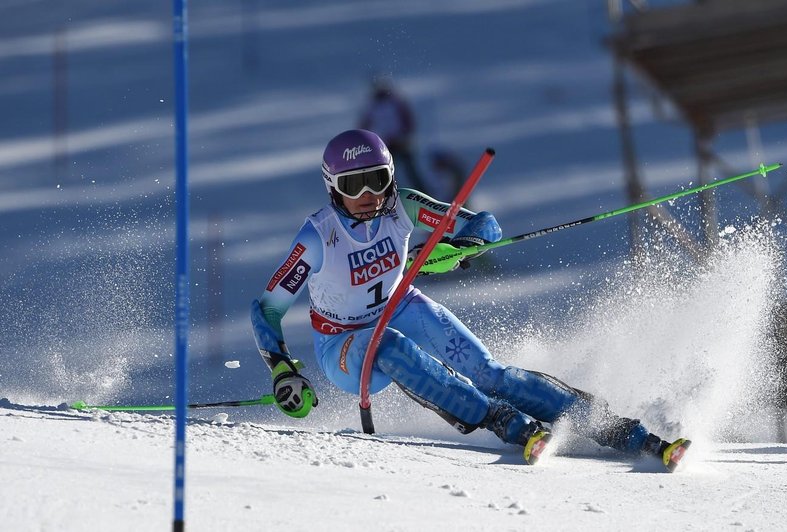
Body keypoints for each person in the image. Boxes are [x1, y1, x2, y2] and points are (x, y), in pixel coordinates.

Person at [251, 129, 690, 470]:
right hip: (343, 343)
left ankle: (619, 429)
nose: (368, 197)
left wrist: (457, 248)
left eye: (377, 181)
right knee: (386, 346)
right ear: (332, 188)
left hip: (400, 304)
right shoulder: (318, 235)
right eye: (354, 186)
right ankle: (504, 422)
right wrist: (282, 369)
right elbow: (266, 308)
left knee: (487, 370)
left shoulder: (401, 204)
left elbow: (484, 224)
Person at [357, 77, 426, 193]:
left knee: (410, 170)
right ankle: (390, 194)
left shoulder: (396, 101)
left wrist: (404, 136)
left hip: (400, 143)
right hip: (384, 145)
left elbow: (408, 121)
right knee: (387, 172)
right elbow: (365, 125)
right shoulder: (372, 105)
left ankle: (422, 192)